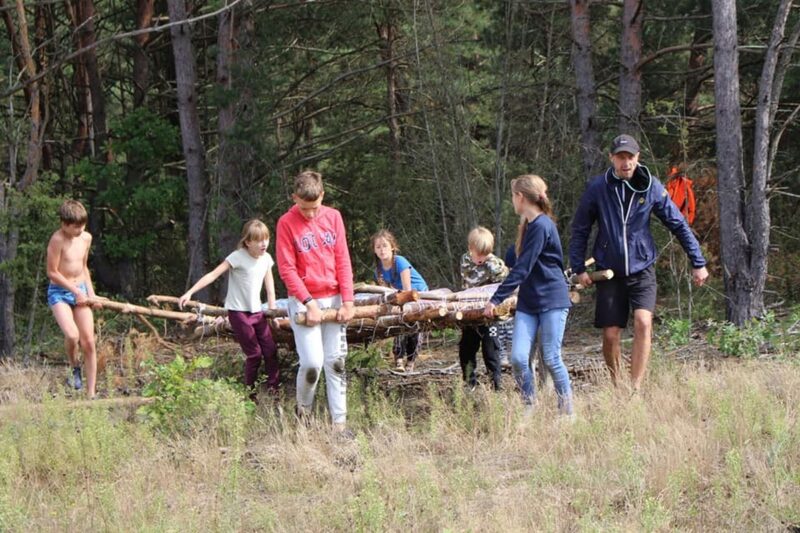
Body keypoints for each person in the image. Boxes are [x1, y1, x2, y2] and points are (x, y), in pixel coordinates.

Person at [569, 134, 709, 391]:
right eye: (621, 157)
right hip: (609, 272)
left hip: (642, 267)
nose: (626, 162)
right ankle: (618, 384)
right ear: (612, 158)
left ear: (637, 158)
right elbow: (580, 228)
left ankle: (635, 388)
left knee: (644, 321)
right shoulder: (598, 188)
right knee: (611, 334)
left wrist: (698, 262)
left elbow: (678, 223)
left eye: (630, 157)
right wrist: (578, 268)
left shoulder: (651, 186)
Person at [484, 175, 574, 416]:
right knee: (518, 358)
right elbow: (514, 262)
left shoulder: (543, 225)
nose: (512, 200)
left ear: (520, 197)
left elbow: (523, 268)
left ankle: (567, 413)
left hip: (552, 300)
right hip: (529, 302)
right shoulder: (528, 226)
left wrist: (495, 299)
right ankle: (529, 407)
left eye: (513, 195)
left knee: (552, 358)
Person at [276, 170, 355, 432]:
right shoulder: (286, 223)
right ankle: (303, 413)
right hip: (303, 301)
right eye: (304, 208)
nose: (310, 214)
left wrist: (348, 301)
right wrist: (308, 302)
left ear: (322, 196)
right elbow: (286, 269)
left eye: (314, 207)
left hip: (333, 297)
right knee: (312, 363)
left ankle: (339, 425)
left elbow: (342, 260)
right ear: (295, 198)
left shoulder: (334, 217)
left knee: (336, 361)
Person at [179, 219, 279, 401]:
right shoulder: (237, 257)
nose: (264, 244)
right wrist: (190, 292)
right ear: (248, 242)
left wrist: (272, 312)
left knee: (271, 351)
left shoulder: (266, 259)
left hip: (257, 312)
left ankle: (274, 391)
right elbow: (213, 274)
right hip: (238, 312)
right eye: (258, 240)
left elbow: (270, 287)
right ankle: (251, 395)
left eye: (266, 239)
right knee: (254, 354)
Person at [46, 199, 99, 398]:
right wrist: (74, 291)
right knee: (72, 335)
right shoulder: (57, 240)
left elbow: (84, 268)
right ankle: (74, 367)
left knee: (88, 342)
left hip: (81, 290)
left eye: (82, 225)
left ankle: (91, 393)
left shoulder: (86, 238)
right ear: (64, 224)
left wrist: (90, 294)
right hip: (60, 292)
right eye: (76, 226)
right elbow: (52, 272)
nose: (80, 229)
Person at [371, 229, 429, 372]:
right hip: (399, 297)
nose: (382, 250)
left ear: (392, 246)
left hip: (417, 295)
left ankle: (411, 360)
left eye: (384, 245)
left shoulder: (400, 262)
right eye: (378, 247)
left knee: (414, 326)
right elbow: (385, 290)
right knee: (397, 325)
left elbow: (407, 289)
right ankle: (399, 359)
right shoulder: (378, 269)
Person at [459, 226, 508, 391]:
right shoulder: (465, 260)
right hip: (470, 313)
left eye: (485, 254)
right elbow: (466, 284)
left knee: (491, 349)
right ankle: (469, 383)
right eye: (478, 254)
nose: (481, 258)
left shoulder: (495, 264)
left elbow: (505, 285)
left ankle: (496, 385)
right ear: (470, 248)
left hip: (489, 316)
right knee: (466, 347)